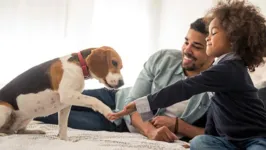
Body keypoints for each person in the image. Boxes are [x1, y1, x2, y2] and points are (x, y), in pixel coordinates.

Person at [108, 0, 266, 149]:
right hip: (230, 141)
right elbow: (216, 110)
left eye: (213, 33)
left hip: (255, 137)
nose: (208, 38)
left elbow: (184, 88)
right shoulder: (222, 66)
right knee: (200, 142)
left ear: (233, 39)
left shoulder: (230, 68)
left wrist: (141, 104)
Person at [35, 17, 214, 142]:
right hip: (115, 98)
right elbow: (134, 102)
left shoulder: (217, 86)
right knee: (50, 96)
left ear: (212, 52)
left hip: (116, 123)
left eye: (196, 46)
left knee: (46, 112)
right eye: (186, 42)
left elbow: (219, 135)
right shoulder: (164, 59)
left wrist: (179, 126)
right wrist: (150, 131)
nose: (187, 50)